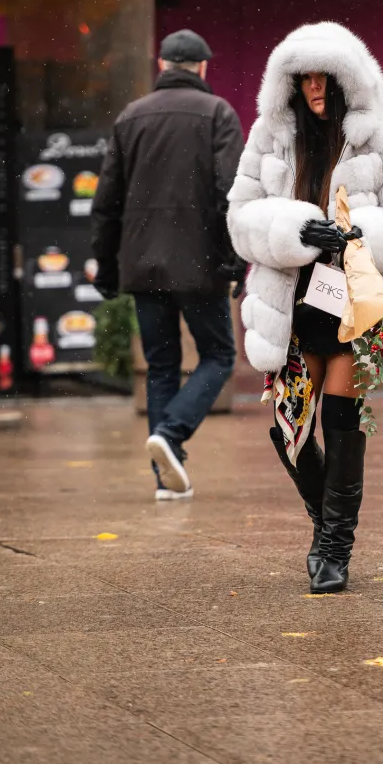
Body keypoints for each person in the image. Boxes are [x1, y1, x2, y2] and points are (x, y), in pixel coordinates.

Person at [227, 22, 383, 593]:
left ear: (347, 81)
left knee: (342, 423)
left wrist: (359, 233)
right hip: (290, 307)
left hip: (353, 304)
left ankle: (335, 548)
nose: (314, 87)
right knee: (289, 429)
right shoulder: (269, 138)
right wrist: (291, 230)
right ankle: (326, 521)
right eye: (304, 78)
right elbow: (240, 218)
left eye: (325, 77)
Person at [91, 28, 245, 499]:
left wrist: (107, 267)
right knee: (218, 356)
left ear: (161, 65)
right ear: (203, 67)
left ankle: (167, 481)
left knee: (161, 365)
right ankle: (172, 434)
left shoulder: (130, 117)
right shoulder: (218, 113)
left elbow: (106, 203)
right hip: (200, 264)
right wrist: (234, 259)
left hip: (143, 264)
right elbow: (230, 193)